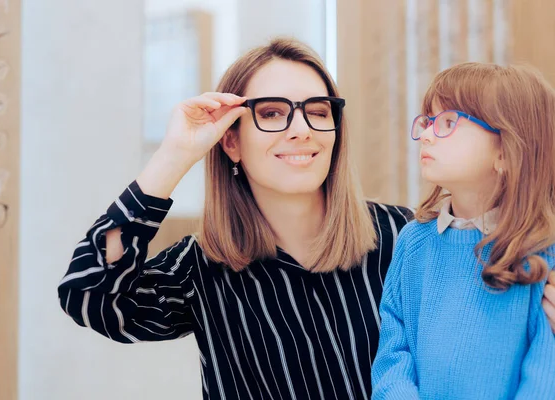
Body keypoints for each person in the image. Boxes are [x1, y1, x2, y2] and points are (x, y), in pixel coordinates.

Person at [58, 39, 555, 400]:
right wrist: (173, 157)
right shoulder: (200, 266)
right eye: (272, 113)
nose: (301, 130)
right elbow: (88, 296)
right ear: (230, 140)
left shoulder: (399, 235)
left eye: (318, 110)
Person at [371, 62, 555, 399]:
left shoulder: (543, 252)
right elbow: (394, 354)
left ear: (505, 151)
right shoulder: (413, 242)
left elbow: (546, 371)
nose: (425, 134)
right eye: (428, 121)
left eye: (448, 123)